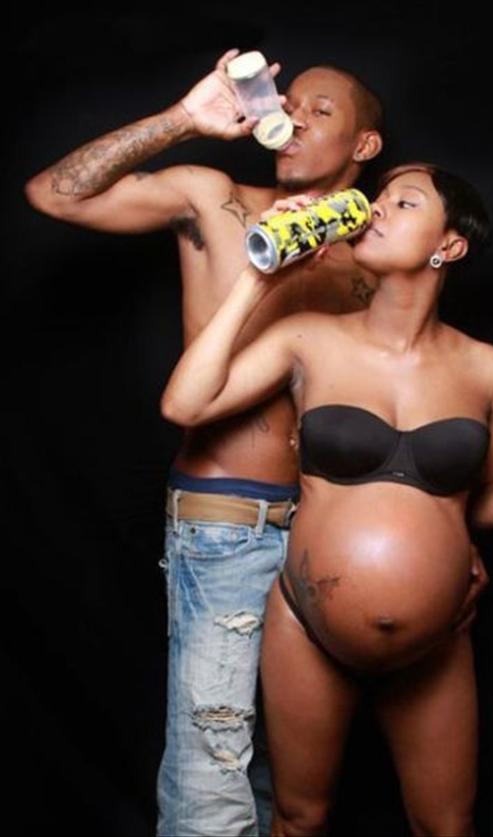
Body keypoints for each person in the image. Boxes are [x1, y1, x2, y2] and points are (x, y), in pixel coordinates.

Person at [160, 162, 493, 836]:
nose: (377, 209)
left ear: (449, 244)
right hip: (308, 625)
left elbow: (471, 509)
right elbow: (184, 403)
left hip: (436, 642)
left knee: (446, 826)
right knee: (299, 817)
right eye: (379, 197)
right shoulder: (309, 336)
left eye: (405, 202)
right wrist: (260, 276)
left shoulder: (487, 368)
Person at [24, 49, 387, 837]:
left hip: (328, 535)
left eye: (321, 110)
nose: (294, 118)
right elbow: (53, 194)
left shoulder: (373, 261)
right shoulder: (216, 199)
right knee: (211, 769)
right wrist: (183, 119)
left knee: (293, 780)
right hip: (228, 520)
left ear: (365, 145)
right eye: (290, 102)